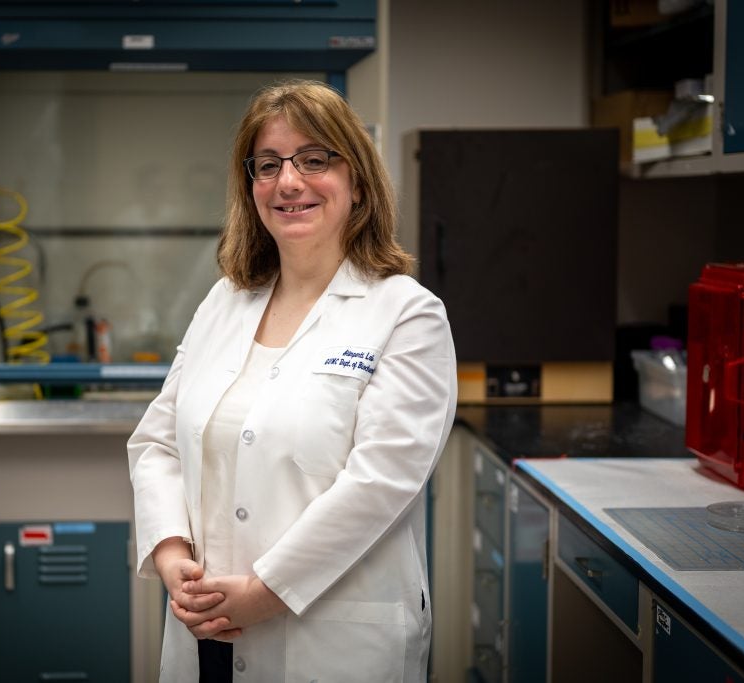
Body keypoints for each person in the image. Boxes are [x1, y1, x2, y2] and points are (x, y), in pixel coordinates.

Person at [127, 79, 457, 682]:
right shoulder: (226, 302)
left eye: (314, 159)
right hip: (205, 630)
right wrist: (173, 556)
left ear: (357, 182)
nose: (289, 182)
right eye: (269, 164)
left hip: (330, 639)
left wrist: (264, 592)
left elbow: (380, 483)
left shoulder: (406, 314)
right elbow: (158, 443)